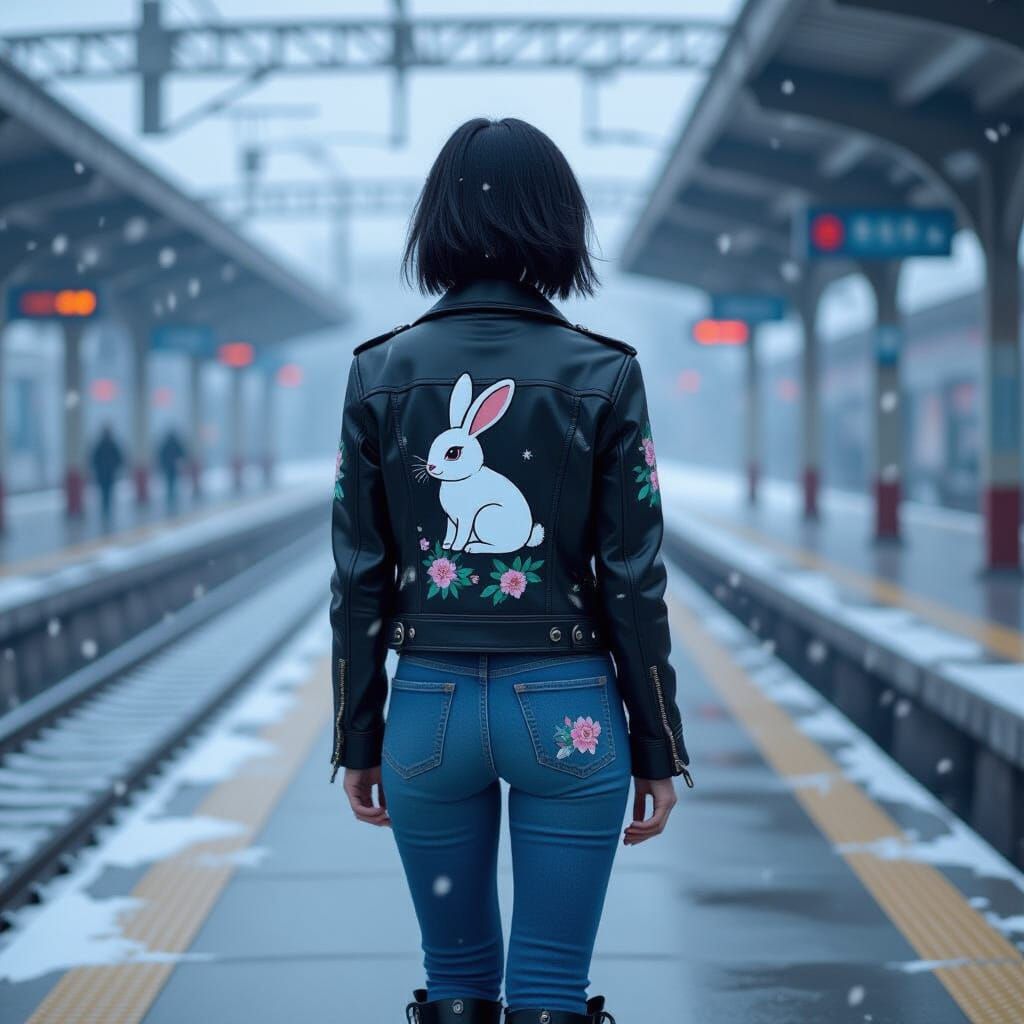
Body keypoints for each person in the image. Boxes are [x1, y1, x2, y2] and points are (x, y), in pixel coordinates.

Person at [328, 117, 692, 1024]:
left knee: (455, 987)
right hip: (567, 710)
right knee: (549, 992)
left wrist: (359, 736)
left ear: (436, 223)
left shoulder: (380, 371)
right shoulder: (604, 373)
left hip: (428, 713)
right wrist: (657, 744)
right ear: (559, 224)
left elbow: (358, 579)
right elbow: (635, 578)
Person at [90, 422, 124, 530]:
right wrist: (115, 467)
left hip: (102, 475)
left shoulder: (98, 445)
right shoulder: (113, 444)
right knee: (109, 494)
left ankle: (105, 512)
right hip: (110, 474)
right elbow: (121, 458)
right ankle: (108, 512)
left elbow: (92, 459)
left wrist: (96, 469)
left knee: (104, 494)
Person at [158, 428, 188, 514]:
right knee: (174, 481)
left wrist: (162, 464)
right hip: (174, 467)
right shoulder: (176, 443)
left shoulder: (165, 444)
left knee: (169, 482)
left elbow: (160, 455)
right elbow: (182, 452)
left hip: (167, 467)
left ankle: (170, 497)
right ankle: (173, 496)